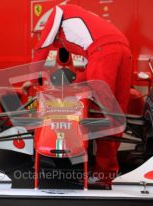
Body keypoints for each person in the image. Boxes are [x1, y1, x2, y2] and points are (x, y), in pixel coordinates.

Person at [32, 4, 132, 187]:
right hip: (124, 49)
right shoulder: (86, 18)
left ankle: (101, 173)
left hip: (102, 52)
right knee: (116, 114)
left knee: (99, 114)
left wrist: (32, 79)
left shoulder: (58, 11)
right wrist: (75, 82)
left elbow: (42, 47)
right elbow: (92, 69)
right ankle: (107, 172)